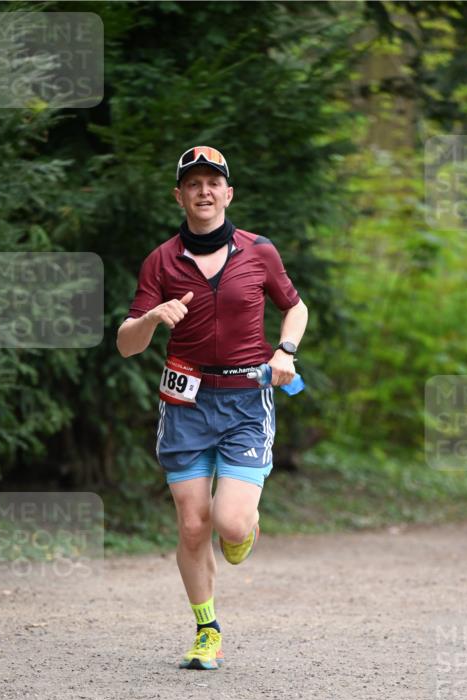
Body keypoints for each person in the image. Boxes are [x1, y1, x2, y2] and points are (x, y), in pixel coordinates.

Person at [117, 145, 308, 670]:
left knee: (228, 523)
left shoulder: (258, 252)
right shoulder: (160, 261)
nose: (204, 190)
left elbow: (295, 307)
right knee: (192, 523)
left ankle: (243, 526)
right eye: (193, 183)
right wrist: (152, 316)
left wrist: (285, 351)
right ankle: (207, 630)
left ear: (228, 193)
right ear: (179, 195)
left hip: (247, 401)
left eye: (212, 182)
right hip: (186, 405)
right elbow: (126, 343)